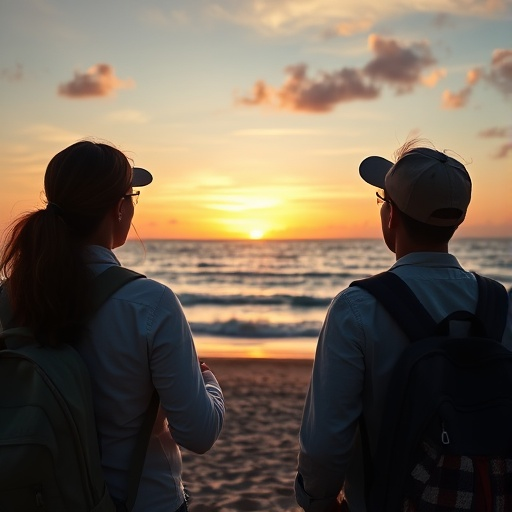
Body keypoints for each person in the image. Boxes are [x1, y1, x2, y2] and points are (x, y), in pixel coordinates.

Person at [0, 140, 225, 512]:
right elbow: (199, 432)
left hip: (41, 497)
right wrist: (210, 385)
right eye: (132, 195)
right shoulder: (150, 304)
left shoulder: (12, 298)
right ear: (119, 207)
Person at [294, 139, 512, 511]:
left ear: (390, 215)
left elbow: (325, 446)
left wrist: (318, 500)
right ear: (456, 219)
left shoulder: (357, 309)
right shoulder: (502, 305)